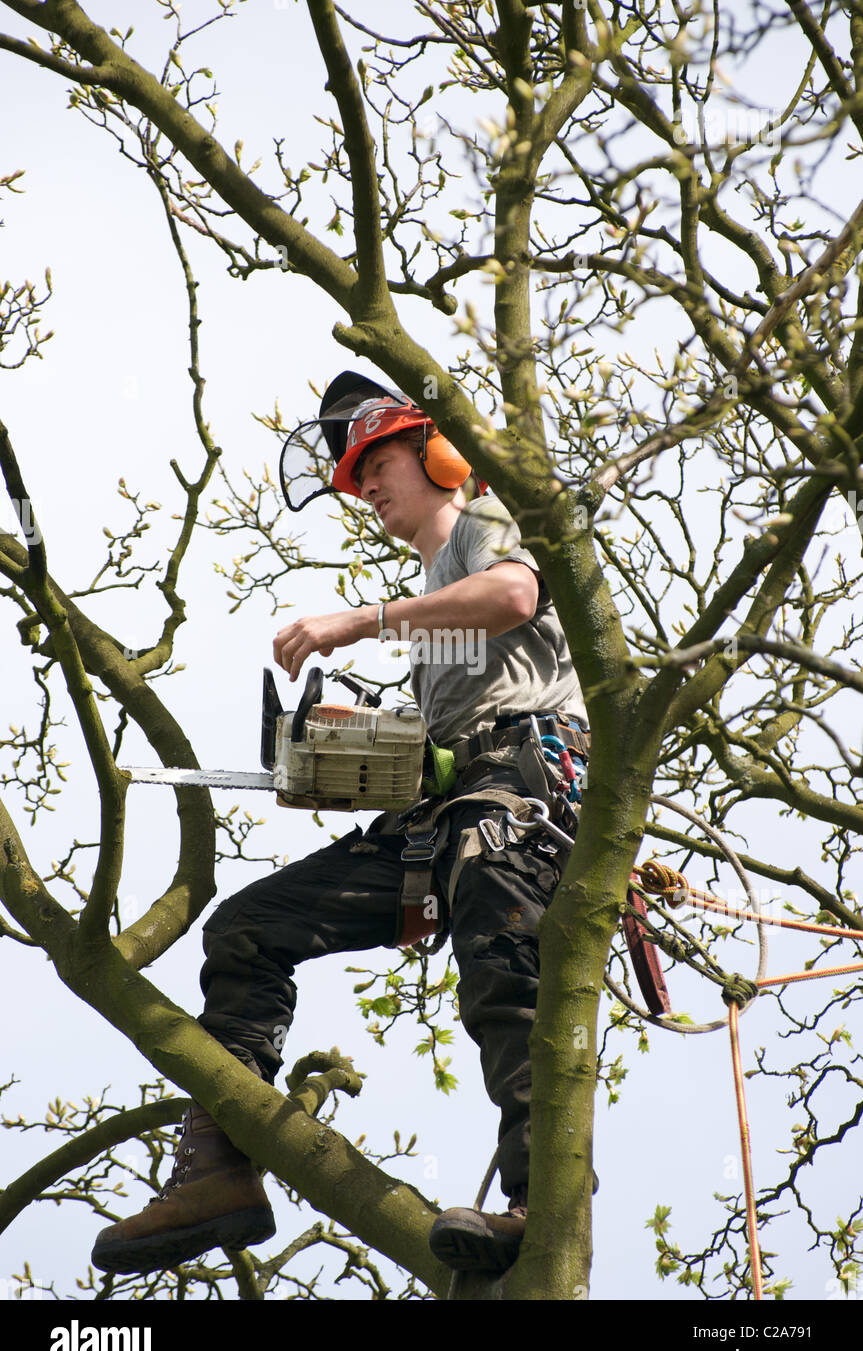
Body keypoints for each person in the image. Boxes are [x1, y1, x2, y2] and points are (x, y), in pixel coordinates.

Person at [90, 377, 590, 1279]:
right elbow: (451, 737)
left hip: (517, 806)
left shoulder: (487, 521)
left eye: (380, 465)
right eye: (357, 481)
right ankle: (219, 1167)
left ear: (436, 456)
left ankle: (537, 1206)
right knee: (245, 930)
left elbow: (515, 599)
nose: (369, 490)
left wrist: (363, 622)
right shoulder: (436, 592)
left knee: (500, 973)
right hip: (446, 812)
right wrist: (357, 755)